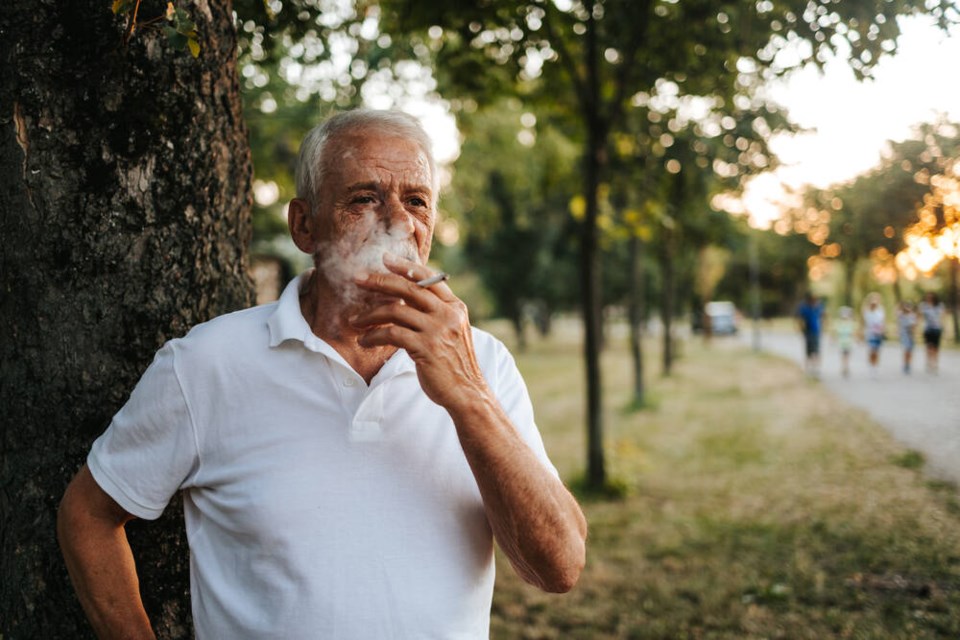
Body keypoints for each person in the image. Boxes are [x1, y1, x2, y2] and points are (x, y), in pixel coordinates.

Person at [57, 109, 587, 639]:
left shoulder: (484, 363)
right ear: (304, 225)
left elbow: (558, 568)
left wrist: (467, 395)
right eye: (364, 199)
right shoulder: (206, 363)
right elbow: (88, 516)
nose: (399, 223)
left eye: (417, 202)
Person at [796, 292, 825, 378]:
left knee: (816, 350)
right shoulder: (805, 307)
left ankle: (815, 367)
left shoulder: (818, 307)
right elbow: (800, 318)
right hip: (808, 332)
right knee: (808, 350)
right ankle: (808, 367)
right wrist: (801, 329)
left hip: (816, 331)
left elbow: (823, 316)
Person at [918, 291, 945, 374]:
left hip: (937, 328)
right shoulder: (923, 306)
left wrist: (944, 327)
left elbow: (942, 317)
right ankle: (929, 363)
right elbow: (920, 316)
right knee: (928, 347)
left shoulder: (939, 306)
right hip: (927, 329)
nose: (929, 298)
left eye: (931, 297)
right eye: (928, 297)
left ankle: (935, 363)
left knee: (936, 348)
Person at [861, 292, 886, 377]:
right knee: (872, 350)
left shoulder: (881, 310)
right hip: (870, 333)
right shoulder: (867, 310)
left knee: (877, 351)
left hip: (878, 334)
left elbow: (882, 321)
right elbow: (864, 319)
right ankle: (871, 365)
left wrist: (883, 330)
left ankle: (875, 366)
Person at [896, 300, 917, 374]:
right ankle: (905, 364)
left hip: (911, 335)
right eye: (906, 307)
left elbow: (914, 326)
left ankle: (908, 364)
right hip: (904, 335)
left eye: (909, 307)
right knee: (906, 350)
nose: (908, 308)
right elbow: (897, 309)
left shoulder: (912, 316)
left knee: (910, 351)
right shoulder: (901, 315)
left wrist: (914, 333)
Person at [834, 306, 856, 377]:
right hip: (842, 343)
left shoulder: (850, 324)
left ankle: (846, 367)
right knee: (843, 356)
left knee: (847, 356)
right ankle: (844, 367)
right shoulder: (840, 324)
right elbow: (837, 333)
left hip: (848, 343)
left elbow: (853, 333)